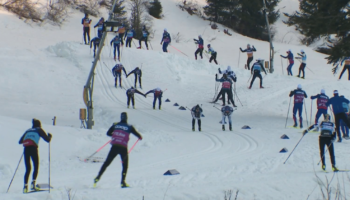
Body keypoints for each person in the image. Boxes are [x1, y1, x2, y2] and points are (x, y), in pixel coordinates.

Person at [94, 112, 143, 188]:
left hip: (114, 146)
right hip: (123, 147)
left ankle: (98, 177)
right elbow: (138, 135)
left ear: (121, 118)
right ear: (126, 118)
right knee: (125, 165)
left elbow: (108, 133)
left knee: (107, 163)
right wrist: (139, 137)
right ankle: (123, 182)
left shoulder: (115, 124)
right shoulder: (129, 126)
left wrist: (114, 135)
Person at [19, 119, 52, 193]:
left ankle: (25, 187)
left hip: (26, 150)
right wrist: (50, 136)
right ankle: (33, 184)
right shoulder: (39, 129)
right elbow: (47, 140)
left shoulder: (28, 130)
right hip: (33, 149)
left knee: (28, 168)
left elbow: (20, 141)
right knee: (36, 166)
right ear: (39, 125)